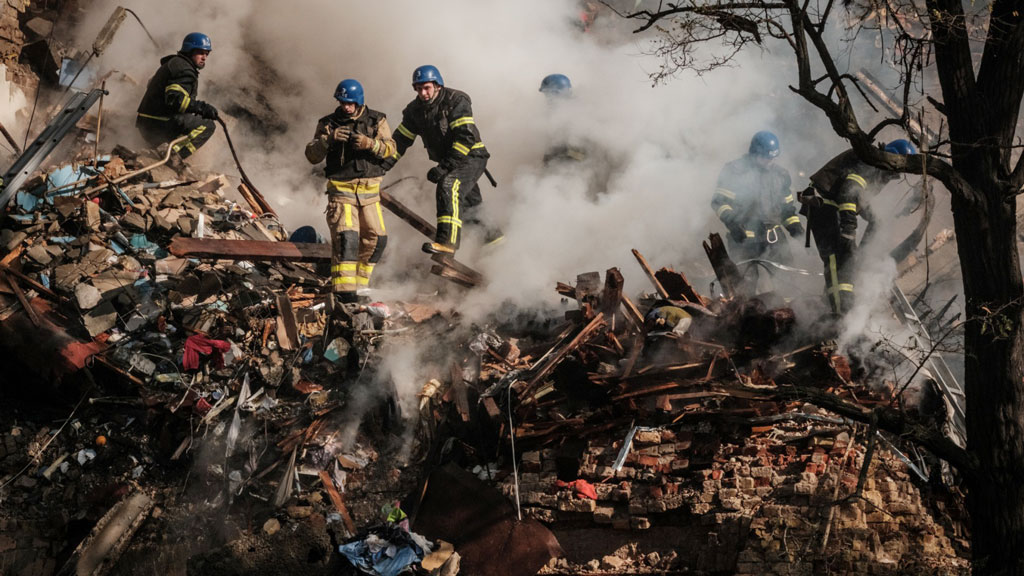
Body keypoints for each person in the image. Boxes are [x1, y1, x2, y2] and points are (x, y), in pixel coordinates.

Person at [385, 65, 495, 255]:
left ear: (437, 85)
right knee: (473, 211)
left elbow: (465, 138)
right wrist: (381, 167)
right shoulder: (415, 111)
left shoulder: (456, 101)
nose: (423, 93)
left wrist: (444, 167)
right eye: (419, 89)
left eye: (426, 88)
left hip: (472, 155)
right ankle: (496, 246)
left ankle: (447, 243)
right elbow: (401, 141)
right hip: (451, 161)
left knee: (449, 185)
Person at [800, 138, 916, 315]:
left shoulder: (876, 165)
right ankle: (840, 315)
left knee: (849, 258)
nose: (896, 174)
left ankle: (839, 305)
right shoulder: (870, 162)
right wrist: (849, 228)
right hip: (824, 206)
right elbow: (848, 192)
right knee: (837, 259)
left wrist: (875, 219)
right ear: (891, 157)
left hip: (831, 206)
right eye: (897, 167)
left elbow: (860, 198)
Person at [305, 79, 396, 304]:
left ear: (359, 101)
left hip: (370, 193)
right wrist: (328, 140)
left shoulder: (377, 120)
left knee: (377, 239)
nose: (346, 107)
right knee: (348, 240)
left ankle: (360, 287)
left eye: (350, 103)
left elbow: (391, 149)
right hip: (342, 193)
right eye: (342, 102)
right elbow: (312, 155)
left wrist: (369, 144)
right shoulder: (328, 123)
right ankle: (344, 295)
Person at [711, 131, 804, 265]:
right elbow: (719, 202)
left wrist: (796, 230)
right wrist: (733, 224)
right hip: (744, 239)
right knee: (745, 282)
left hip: (773, 237)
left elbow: (787, 209)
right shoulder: (735, 171)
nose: (770, 161)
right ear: (754, 153)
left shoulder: (780, 175)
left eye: (773, 158)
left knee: (788, 277)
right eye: (766, 158)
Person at [136, 32, 219, 163]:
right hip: (157, 124)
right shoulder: (184, 69)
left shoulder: (174, 63)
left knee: (190, 120)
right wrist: (202, 108)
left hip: (147, 122)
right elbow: (174, 100)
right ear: (189, 50)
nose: (204, 57)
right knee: (207, 126)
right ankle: (173, 155)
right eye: (200, 52)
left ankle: (164, 150)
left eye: (207, 53)